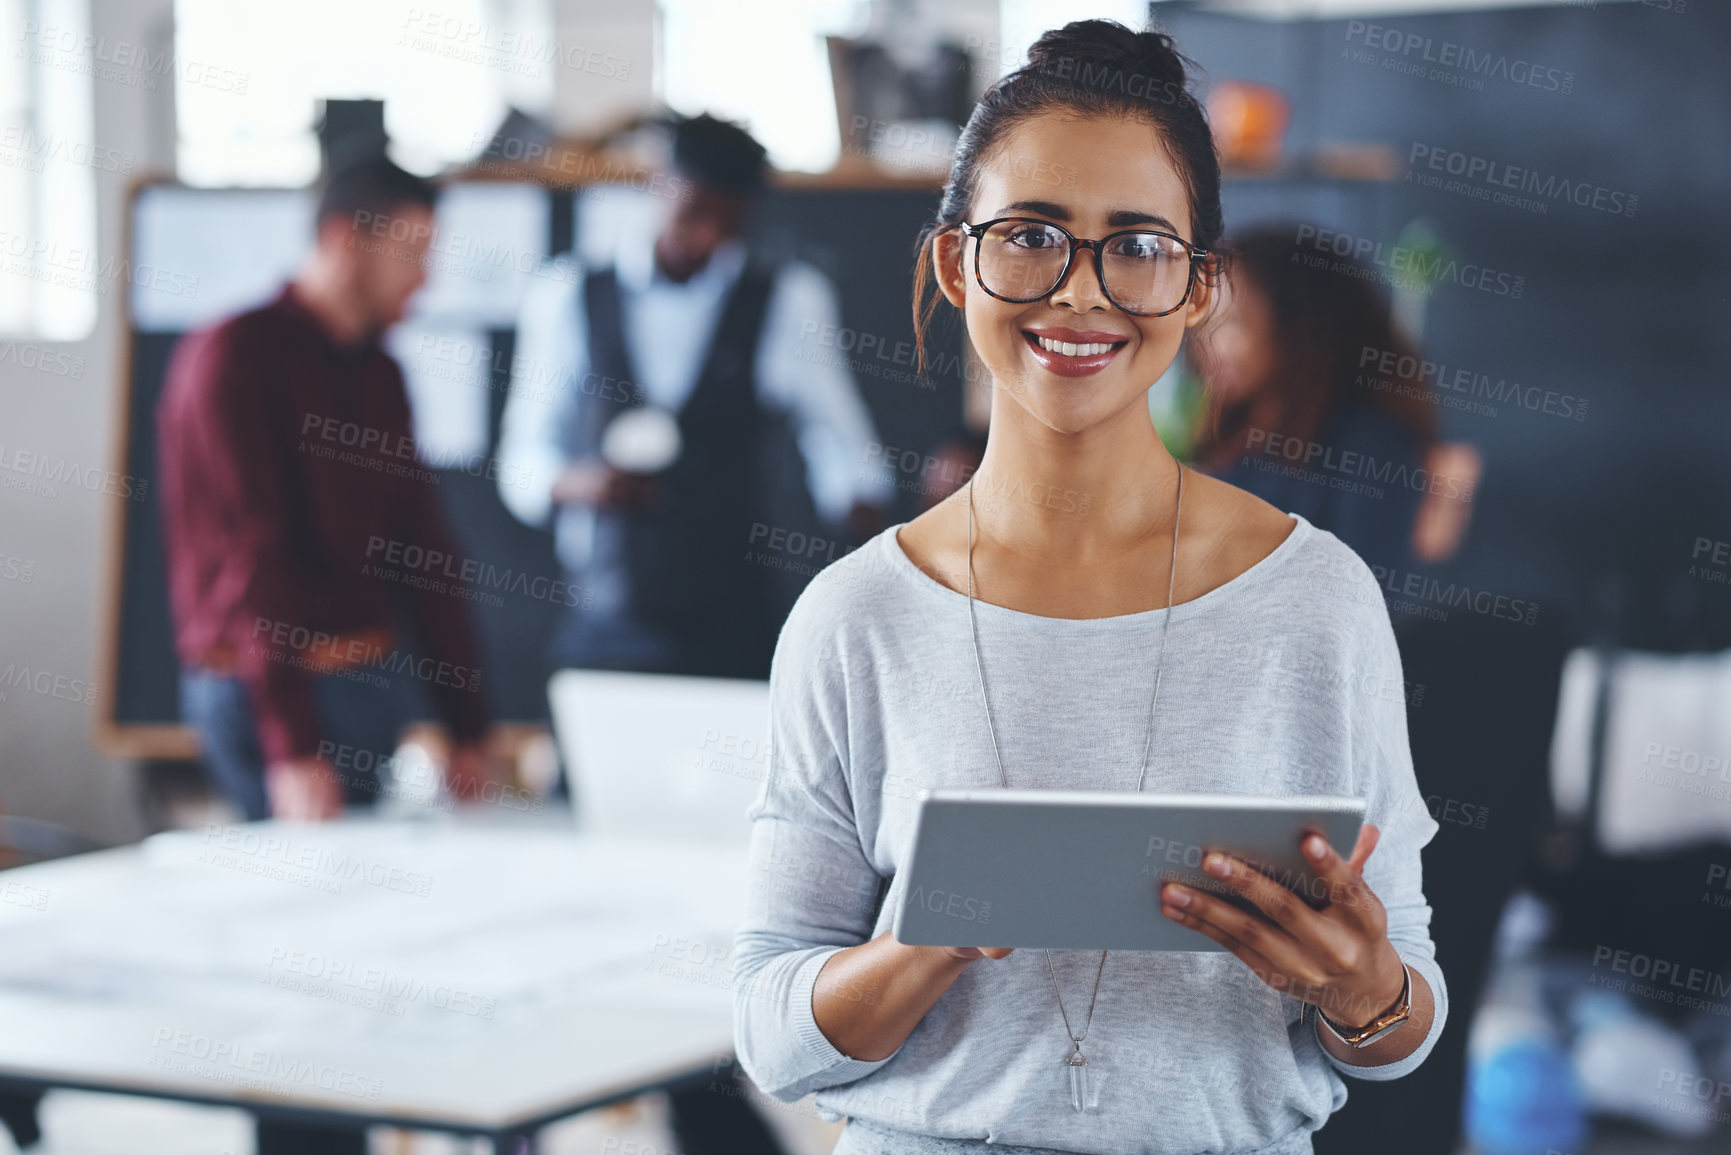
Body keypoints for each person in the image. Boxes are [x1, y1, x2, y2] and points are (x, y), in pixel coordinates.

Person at [732, 20, 1449, 1155]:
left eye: (1139, 246)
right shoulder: (856, 616)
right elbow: (771, 1033)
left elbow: (1404, 1020)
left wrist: (1366, 992)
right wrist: (933, 941)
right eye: (1030, 237)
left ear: (1201, 286)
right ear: (953, 261)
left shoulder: (1317, 599)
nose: (1080, 293)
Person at [158, 156, 504, 830]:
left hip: (366, 684)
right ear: (347, 238)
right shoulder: (234, 356)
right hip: (261, 692)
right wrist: (293, 748)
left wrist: (468, 724)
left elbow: (423, 548)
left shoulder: (380, 371)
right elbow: (254, 556)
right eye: (413, 252)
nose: (424, 279)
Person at [495, 111, 891, 682]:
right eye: (695, 213)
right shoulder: (568, 295)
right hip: (608, 616)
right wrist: (579, 482)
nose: (706, 239)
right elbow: (522, 462)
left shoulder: (787, 300)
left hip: (736, 619)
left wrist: (871, 537)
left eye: (728, 224)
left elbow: (841, 443)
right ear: (658, 185)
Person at [1187, 224, 1479, 570]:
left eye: (1233, 323)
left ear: (1300, 323)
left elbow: (1369, 586)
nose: (1209, 346)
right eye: (1205, 323)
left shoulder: (1368, 441)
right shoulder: (1237, 424)